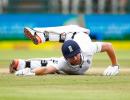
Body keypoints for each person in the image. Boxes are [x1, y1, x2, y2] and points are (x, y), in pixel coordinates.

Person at [9, 25, 119, 76]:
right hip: (71, 38)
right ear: (66, 58)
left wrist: (115, 66)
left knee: (66, 32)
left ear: (79, 51)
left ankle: (41, 36)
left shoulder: (87, 48)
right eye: (71, 57)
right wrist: (30, 73)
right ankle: (22, 64)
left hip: (79, 33)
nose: (75, 58)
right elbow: (46, 69)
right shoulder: (63, 62)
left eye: (76, 54)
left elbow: (109, 46)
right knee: (52, 62)